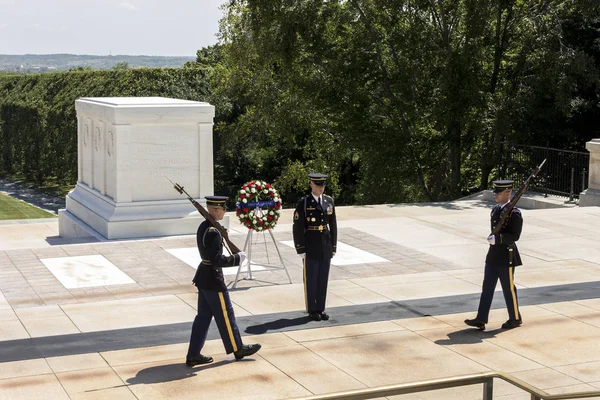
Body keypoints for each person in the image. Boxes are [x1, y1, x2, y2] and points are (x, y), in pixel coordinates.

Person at [186, 195, 261, 366]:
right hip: (213, 279)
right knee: (226, 315)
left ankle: (193, 354)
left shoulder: (204, 226)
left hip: (204, 277)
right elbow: (217, 259)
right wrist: (236, 259)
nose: (225, 211)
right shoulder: (213, 232)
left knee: (203, 318)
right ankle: (238, 348)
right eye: (223, 208)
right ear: (214, 210)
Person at [465, 180, 524, 331]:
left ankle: (515, 318)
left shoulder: (515, 213)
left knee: (508, 288)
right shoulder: (496, 210)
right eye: (495, 192)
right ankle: (481, 318)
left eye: (498, 192)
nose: (495, 195)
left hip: (506, 256)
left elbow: (515, 235)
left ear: (508, 193)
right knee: (487, 287)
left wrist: (499, 239)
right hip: (493, 255)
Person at [292, 173, 338, 321]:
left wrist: (333, 245)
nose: (321, 188)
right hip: (311, 244)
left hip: (325, 244)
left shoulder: (329, 201)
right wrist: (300, 248)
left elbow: (333, 225)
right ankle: (312, 309)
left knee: (323, 278)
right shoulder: (304, 202)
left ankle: (320, 308)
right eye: (318, 186)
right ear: (311, 185)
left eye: (323, 186)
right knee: (311, 278)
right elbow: (298, 227)